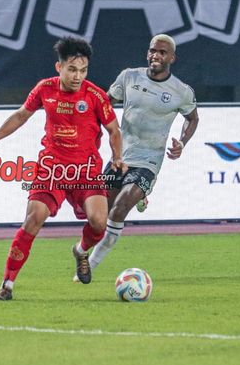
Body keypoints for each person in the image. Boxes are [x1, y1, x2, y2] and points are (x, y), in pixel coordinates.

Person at [0, 37, 125, 301]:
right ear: (59, 67)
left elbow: (114, 130)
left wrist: (117, 157)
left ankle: (81, 250)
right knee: (33, 218)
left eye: (83, 71)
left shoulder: (95, 95)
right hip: (52, 170)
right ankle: (7, 285)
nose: (78, 76)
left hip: (85, 171)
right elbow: (20, 116)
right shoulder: (44, 89)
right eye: (72, 69)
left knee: (99, 223)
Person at [84, 33, 198, 274]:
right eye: (152, 51)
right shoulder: (128, 77)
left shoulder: (181, 91)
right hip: (121, 157)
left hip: (149, 160)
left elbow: (192, 118)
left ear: (172, 58)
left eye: (162, 52)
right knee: (98, 215)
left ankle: (89, 265)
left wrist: (183, 142)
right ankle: (141, 196)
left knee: (121, 207)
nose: (155, 55)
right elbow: (106, 104)